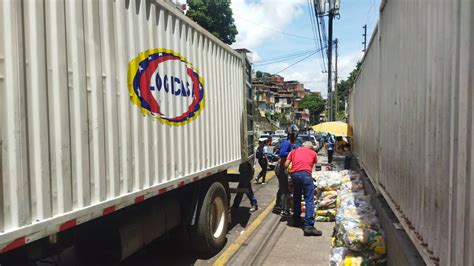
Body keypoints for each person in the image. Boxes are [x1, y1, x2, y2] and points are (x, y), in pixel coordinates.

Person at [284, 141, 322, 236]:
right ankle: (308, 226)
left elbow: (286, 165)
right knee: (309, 199)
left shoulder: (293, 151)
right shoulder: (313, 153)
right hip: (306, 175)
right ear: (310, 147)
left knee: (297, 196)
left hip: (295, 175)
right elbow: (311, 166)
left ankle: (296, 219)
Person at [273, 125, 300, 217]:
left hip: (283, 168)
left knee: (282, 188)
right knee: (284, 189)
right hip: (281, 169)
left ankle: (277, 206)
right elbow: (282, 153)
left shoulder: (292, 144)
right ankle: (283, 210)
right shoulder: (287, 143)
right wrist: (293, 153)